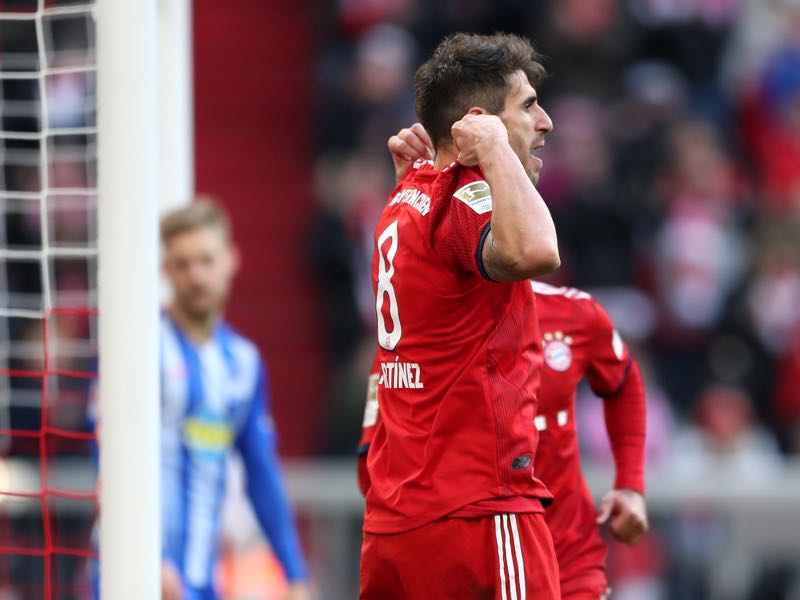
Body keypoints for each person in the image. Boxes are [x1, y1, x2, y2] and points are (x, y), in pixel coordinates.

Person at [362, 33, 561, 599]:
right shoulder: (467, 198)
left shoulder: (408, 196)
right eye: (527, 106)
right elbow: (536, 252)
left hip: (397, 521)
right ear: (479, 122)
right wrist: (496, 151)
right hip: (476, 513)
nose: (544, 122)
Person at [358, 281, 649, 600]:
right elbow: (371, 460)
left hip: (569, 557)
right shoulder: (412, 333)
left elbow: (624, 381)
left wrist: (630, 484)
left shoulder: (576, 313)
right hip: (469, 564)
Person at [156, 201, 310, 600]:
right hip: (138, 574)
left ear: (231, 260)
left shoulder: (243, 363)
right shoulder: (142, 351)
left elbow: (261, 472)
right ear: (165, 270)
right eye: (183, 263)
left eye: (206, 260)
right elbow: (106, 458)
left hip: (203, 582)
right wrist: (149, 557)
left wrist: (294, 574)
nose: (197, 275)